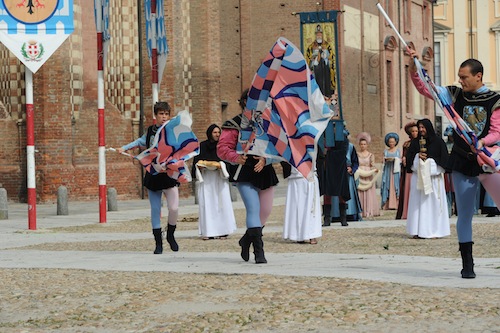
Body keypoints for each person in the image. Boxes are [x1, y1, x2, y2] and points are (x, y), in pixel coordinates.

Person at [409, 51, 500, 278]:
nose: (460, 80)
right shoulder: (454, 95)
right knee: (465, 214)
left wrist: (481, 142)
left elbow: (496, 132)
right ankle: (467, 263)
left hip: (487, 160)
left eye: (464, 77)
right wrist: (414, 65)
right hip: (462, 161)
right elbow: (425, 87)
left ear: (478, 76)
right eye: (459, 77)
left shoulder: (495, 101)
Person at [217, 89, 279, 264]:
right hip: (244, 171)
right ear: (244, 102)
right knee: (253, 209)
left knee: (265, 212)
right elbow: (222, 149)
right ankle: (259, 252)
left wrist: (266, 159)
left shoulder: (269, 123)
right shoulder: (234, 124)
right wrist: (236, 157)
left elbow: (279, 148)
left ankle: (245, 240)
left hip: (265, 171)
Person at [118, 101, 180, 254]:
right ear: (156, 115)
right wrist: (124, 148)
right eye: (161, 114)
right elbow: (139, 142)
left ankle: (170, 234)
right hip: (153, 173)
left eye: (166, 114)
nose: (164, 117)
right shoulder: (151, 131)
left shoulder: (174, 131)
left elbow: (181, 148)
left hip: (169, 173)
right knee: (155, 209)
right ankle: (158, 243)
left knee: (174, 207)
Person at [405, 119, 450, 239]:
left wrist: (429, 163)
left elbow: (444, 161)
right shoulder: (414, 143)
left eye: (423, 127)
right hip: (419, 178)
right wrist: (417, 157)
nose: (421, 130)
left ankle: (434, 230)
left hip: (434, 180)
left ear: (428, 128)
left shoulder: (438, 142)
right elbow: (409, 161)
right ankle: (417, 230)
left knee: (432, 205)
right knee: (418, 206)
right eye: (419, 127)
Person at [193, 124, 237, 240]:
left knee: (221, 203)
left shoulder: (222, 146)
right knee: (207, 203)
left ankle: (223, 230)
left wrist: (221, 166)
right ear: (210, 133)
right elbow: (196, 161)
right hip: (207, 178)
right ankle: (208, 230)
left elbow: (227, 160)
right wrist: (200, 166)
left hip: (219, 178)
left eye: (218, 132)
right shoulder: (202, 146)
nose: (217, 134)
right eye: (215, 132)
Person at [282, 165, 321, 244]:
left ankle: (311, 234)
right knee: (295, 208)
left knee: (310, 208)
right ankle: (298, 235)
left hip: (308, 174)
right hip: (295, 176)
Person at [331, 139, 362, 222]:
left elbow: (355, 161)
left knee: (349, 193)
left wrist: (352, 169)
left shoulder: (351, 147)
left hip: (348, 176)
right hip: (336, 175)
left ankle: (350, 214)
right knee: (335, 195)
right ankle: (335, 215)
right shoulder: (331, 146)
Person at [305, 24, 336, 97]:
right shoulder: (311, 46)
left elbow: (331, 56)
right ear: (315, 36)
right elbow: (308, 58)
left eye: (320, 35)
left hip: (325, 69)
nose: (319, 36)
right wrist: (313, 59)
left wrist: (326, 55)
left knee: (326, 82)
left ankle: (327, 94)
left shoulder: (327, 45)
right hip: (316, 69)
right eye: (317, 35)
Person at [396, 122, 418, 219]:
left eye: (416, 131)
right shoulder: (407, 144)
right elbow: (404, 155)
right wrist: (404, 159)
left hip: (418, 169)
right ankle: (406, 210)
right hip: (409, 170)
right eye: (413, 131)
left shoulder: (421, 142)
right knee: (408, 188)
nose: (415, 133)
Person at [355, 132, 380, 219]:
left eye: (364, 144)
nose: (363, 146)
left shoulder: (370, 155)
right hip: (360, 172)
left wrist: (375, 169)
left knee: (368, 191)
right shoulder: (357, 154)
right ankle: (361, 210)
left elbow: (372, 164)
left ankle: (369, 210)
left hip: (368, 173)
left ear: (367, 145)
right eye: (361, 144)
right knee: (360, 191)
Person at [381, 132, 401, 210]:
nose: (391, 143)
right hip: (388, 170)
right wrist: (385, 160)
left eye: (393, 142)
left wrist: (396, 159)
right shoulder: (386, 151)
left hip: (395, 171)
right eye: (390, 142)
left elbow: (400, 160)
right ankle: (387, 204)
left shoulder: (398, 151)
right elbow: (383, 160)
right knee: (387, 185)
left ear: (395, 142)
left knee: (396, 185)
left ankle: (396, 203)